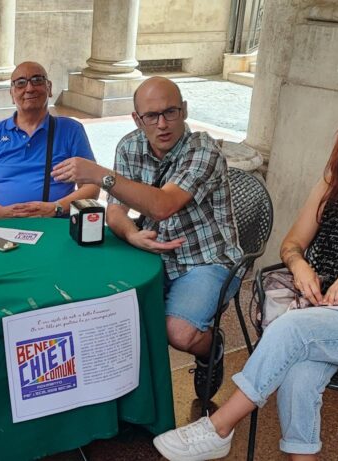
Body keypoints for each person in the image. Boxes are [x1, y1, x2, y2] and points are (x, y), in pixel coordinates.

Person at [147, 107, 338, 461]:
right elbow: (292, 244)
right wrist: (300, 266)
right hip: (332, 320)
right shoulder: (331, 190)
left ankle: (219, 427)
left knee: (293, 329)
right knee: (298, 370)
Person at [53, 76, 242, 401]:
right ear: (137, 119)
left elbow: (163, 205)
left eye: (170, 112)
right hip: (152, 254)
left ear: (184, 110)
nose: (162, 124)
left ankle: (212, 346)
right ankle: (121, 396)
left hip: (207, 260)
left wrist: (100, 175)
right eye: (151, 116)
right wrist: (132, 234)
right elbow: (115, 211)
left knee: (179, 333)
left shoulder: (203, 150)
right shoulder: (130, 146)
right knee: (98, 304)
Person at [0, 61, 99, 220]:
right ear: (12, 94)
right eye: (20, 83)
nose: (30, 88)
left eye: (37, 80)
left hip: (53, 223)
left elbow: (92, 186)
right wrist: (2, 213)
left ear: (49, 88)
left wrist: (55, 208)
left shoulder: (70, 130)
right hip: (0, 224)